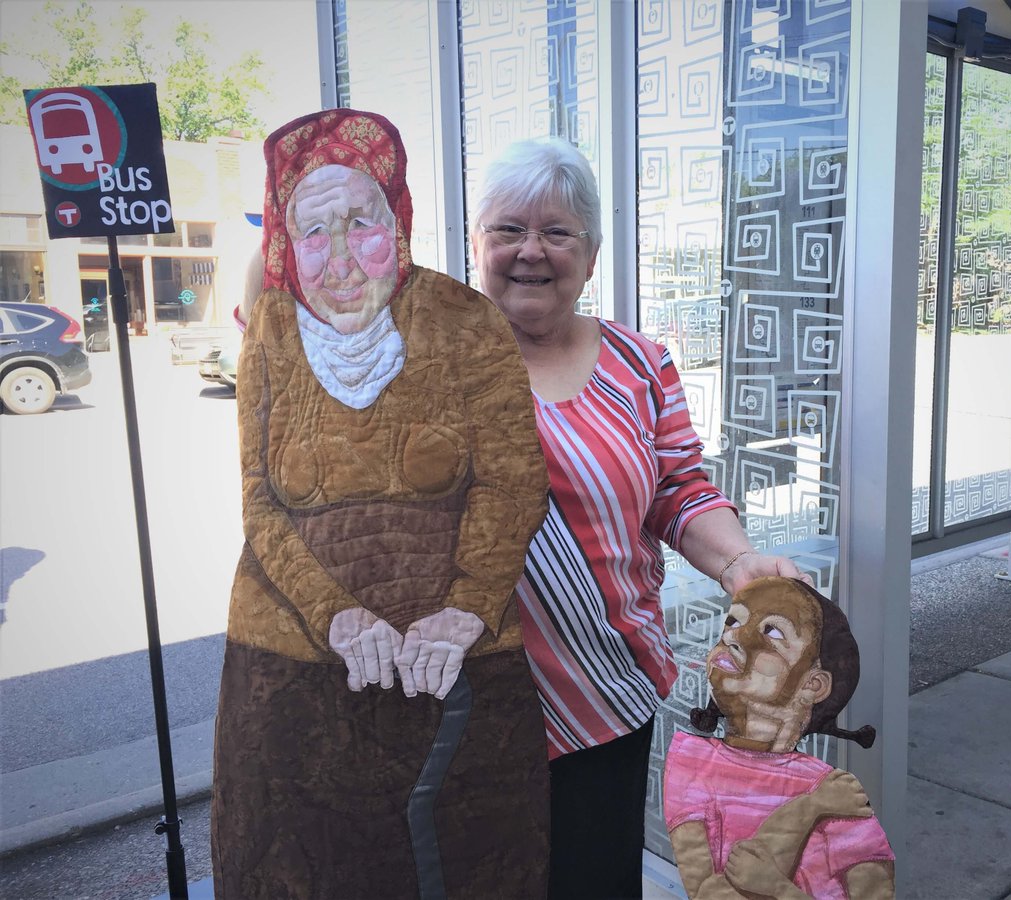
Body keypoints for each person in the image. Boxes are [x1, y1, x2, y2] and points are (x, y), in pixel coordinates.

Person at [211, 109, 552, 899]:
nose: (337, 258)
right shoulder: (269, 331)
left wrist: (465, 611)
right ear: (287, 243)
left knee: (469, 860)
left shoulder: (466, 321)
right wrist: (337, 615)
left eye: (358, 222)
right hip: (289, 673)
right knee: (304, 866)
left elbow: (512, 481)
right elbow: (260, 504)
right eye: (312, 230)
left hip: (455, 667)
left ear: (396, 220)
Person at [469, 136, 806, 899]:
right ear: (477, 245)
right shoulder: (434, 363)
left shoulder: (638, 364)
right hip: (473, 697)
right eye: (509, 230)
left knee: (593, 880)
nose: (531, 251)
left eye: (557, 233)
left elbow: (678, 489)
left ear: (590, 256)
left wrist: (736, 561)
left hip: (604, 687)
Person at [664, 577, 894, 900]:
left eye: (772, 632)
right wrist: (810, 808)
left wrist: (778, 889)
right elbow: (706, 892)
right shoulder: (694, 766)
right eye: (733, 620)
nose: (733, 635)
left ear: (813, 684)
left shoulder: (835, 790)